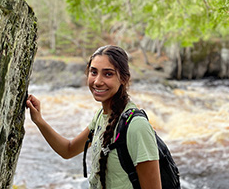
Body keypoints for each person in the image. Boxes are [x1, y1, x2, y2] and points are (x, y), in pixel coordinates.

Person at [26, 45, 161, 189]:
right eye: (93, 72)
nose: (97, 81)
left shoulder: (136, 126)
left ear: (123, 78)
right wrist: (39, 121)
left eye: (108, 74)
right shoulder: (101, 116)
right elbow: (68, 150)